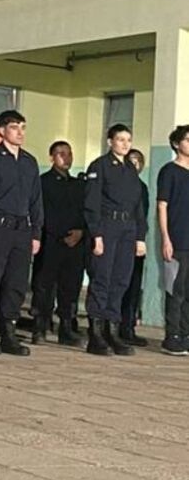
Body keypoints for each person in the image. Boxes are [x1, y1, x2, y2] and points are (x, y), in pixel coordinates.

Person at [0, 110, 43, 356]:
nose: (20, 132)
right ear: (2, 130)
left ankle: (9, 333)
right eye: (15, 127)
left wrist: (36, 233)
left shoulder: (29, 161)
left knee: (16, 282)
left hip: (22, 230)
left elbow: (36, 200)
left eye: (23, 127)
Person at [84, 124, 146, 356]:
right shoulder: (99, 166)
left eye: (128, 139)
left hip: (128, 228)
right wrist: (97, 234)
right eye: (120, 139)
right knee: (102, 278)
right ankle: (96, 334)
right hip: (107, 226)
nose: (125, 144)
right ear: (110, 141)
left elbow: (138, 206)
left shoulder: (131, 169)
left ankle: (112, 329)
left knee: (121, 280)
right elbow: (91, 203)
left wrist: (140, 236)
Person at [30, 140, 86, 347]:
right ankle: (40, 326)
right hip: (51, 242)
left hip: (75, 244)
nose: (66, 157)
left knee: (70, 287)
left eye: (69, 153)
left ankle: (66, 327)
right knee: (44, 287)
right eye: (61, 153)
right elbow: (42, 212)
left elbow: (84, 211)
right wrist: (61, 234)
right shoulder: (43, 182)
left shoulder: (78, 185)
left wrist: (80, 232)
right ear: (51, 157)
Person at [157, 125, 189, 355]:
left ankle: (186, 334)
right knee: (174, 290)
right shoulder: (169, 171)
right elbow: (162, 205)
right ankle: (172, 336)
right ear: (177, 144)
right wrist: (166, 238)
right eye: (188, 139)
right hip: (177, 240)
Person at [119, 148, 149, 346]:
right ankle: (114, 325)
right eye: (131, 160)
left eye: (139, 161)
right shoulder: (118, 185)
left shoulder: (142, 187)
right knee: (118, 284)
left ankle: (129, 326)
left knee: (133, 287)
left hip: (136, 241)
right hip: (119, 240)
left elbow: (142, 216)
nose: (135, 164)